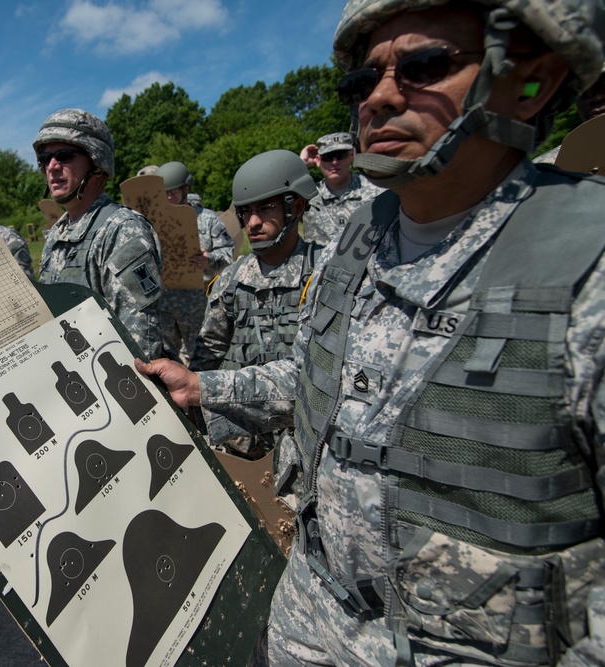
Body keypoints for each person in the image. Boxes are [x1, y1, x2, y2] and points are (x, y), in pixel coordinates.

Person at [137, 0, 605, 663]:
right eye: (364, 80)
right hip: (315, 614)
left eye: (423, 66)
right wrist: (202, 386)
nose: (380, 97)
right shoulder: (354, 243)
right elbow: (310, 380)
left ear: (532, 82)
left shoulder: (587, 263)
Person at [188, 150, 322, 461]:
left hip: (306, 438)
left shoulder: (324, 273)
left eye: (266, 208)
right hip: (241, 439)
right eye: (246, 212)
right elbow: (207, 353)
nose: (253, 222)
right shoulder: (230, 280)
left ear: (297, 206)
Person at [34, 108, 165, 358]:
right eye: (44, 158)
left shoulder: (122, 230)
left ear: (96, 161)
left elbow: (141, 345)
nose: (52, 167)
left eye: (63, 156)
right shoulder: (56, 234)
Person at [154, 161, 235, 362]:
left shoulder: (207, 219)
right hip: (164, 303)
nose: (169, 196)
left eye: (174, 191)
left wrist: (210, 259)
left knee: (197, 358)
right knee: (167, 358)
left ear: (186, 189)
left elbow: (228, 256)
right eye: (165, 192)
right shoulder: (153, 220)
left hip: (198, 305)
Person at [300, 131, 383, 245]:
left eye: (340, 155)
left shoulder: (376, 190)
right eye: (328, 157)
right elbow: (274, 193)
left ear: (351, 156)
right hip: (320, 262)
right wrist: (301, 164)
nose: (334, 162)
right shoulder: (307, 195)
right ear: (318, 160)